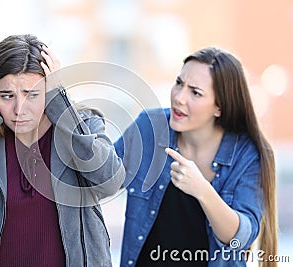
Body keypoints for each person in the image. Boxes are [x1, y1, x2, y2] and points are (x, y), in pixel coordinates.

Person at [0, 34, 125, 267]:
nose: (19, 109)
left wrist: (60, 105)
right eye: (6, 95)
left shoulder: (82, 127)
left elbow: (111, 181)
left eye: (32, 95)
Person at [115, 47, 277, 266]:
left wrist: (202, 190)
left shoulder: (247, 155)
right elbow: (98, 178)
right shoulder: (149, 128)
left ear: (219, 107)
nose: (179, 98)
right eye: (179, 83)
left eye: (195, 92)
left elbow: (239, 239)